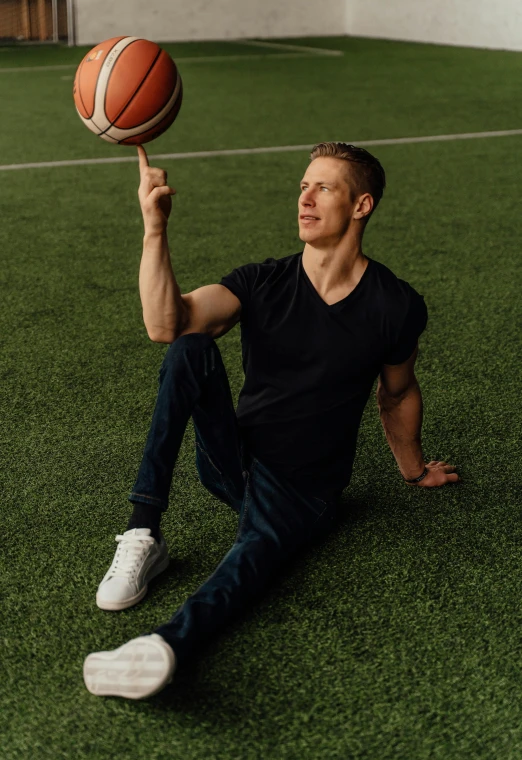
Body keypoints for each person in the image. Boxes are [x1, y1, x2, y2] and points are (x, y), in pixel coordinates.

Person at [83, 141, 460, 700]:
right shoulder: (263, 281)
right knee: (189, 350)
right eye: (302, 187)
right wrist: (154, 229)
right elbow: (167, 324)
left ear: (362, 206)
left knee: (253, 559)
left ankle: (163, 647)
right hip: (234, 461)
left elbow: (397, 391)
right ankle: (143, 530)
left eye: (323, 187)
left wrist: (413, 469)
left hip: (305, 490)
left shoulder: (395, 304)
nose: (304, 199)